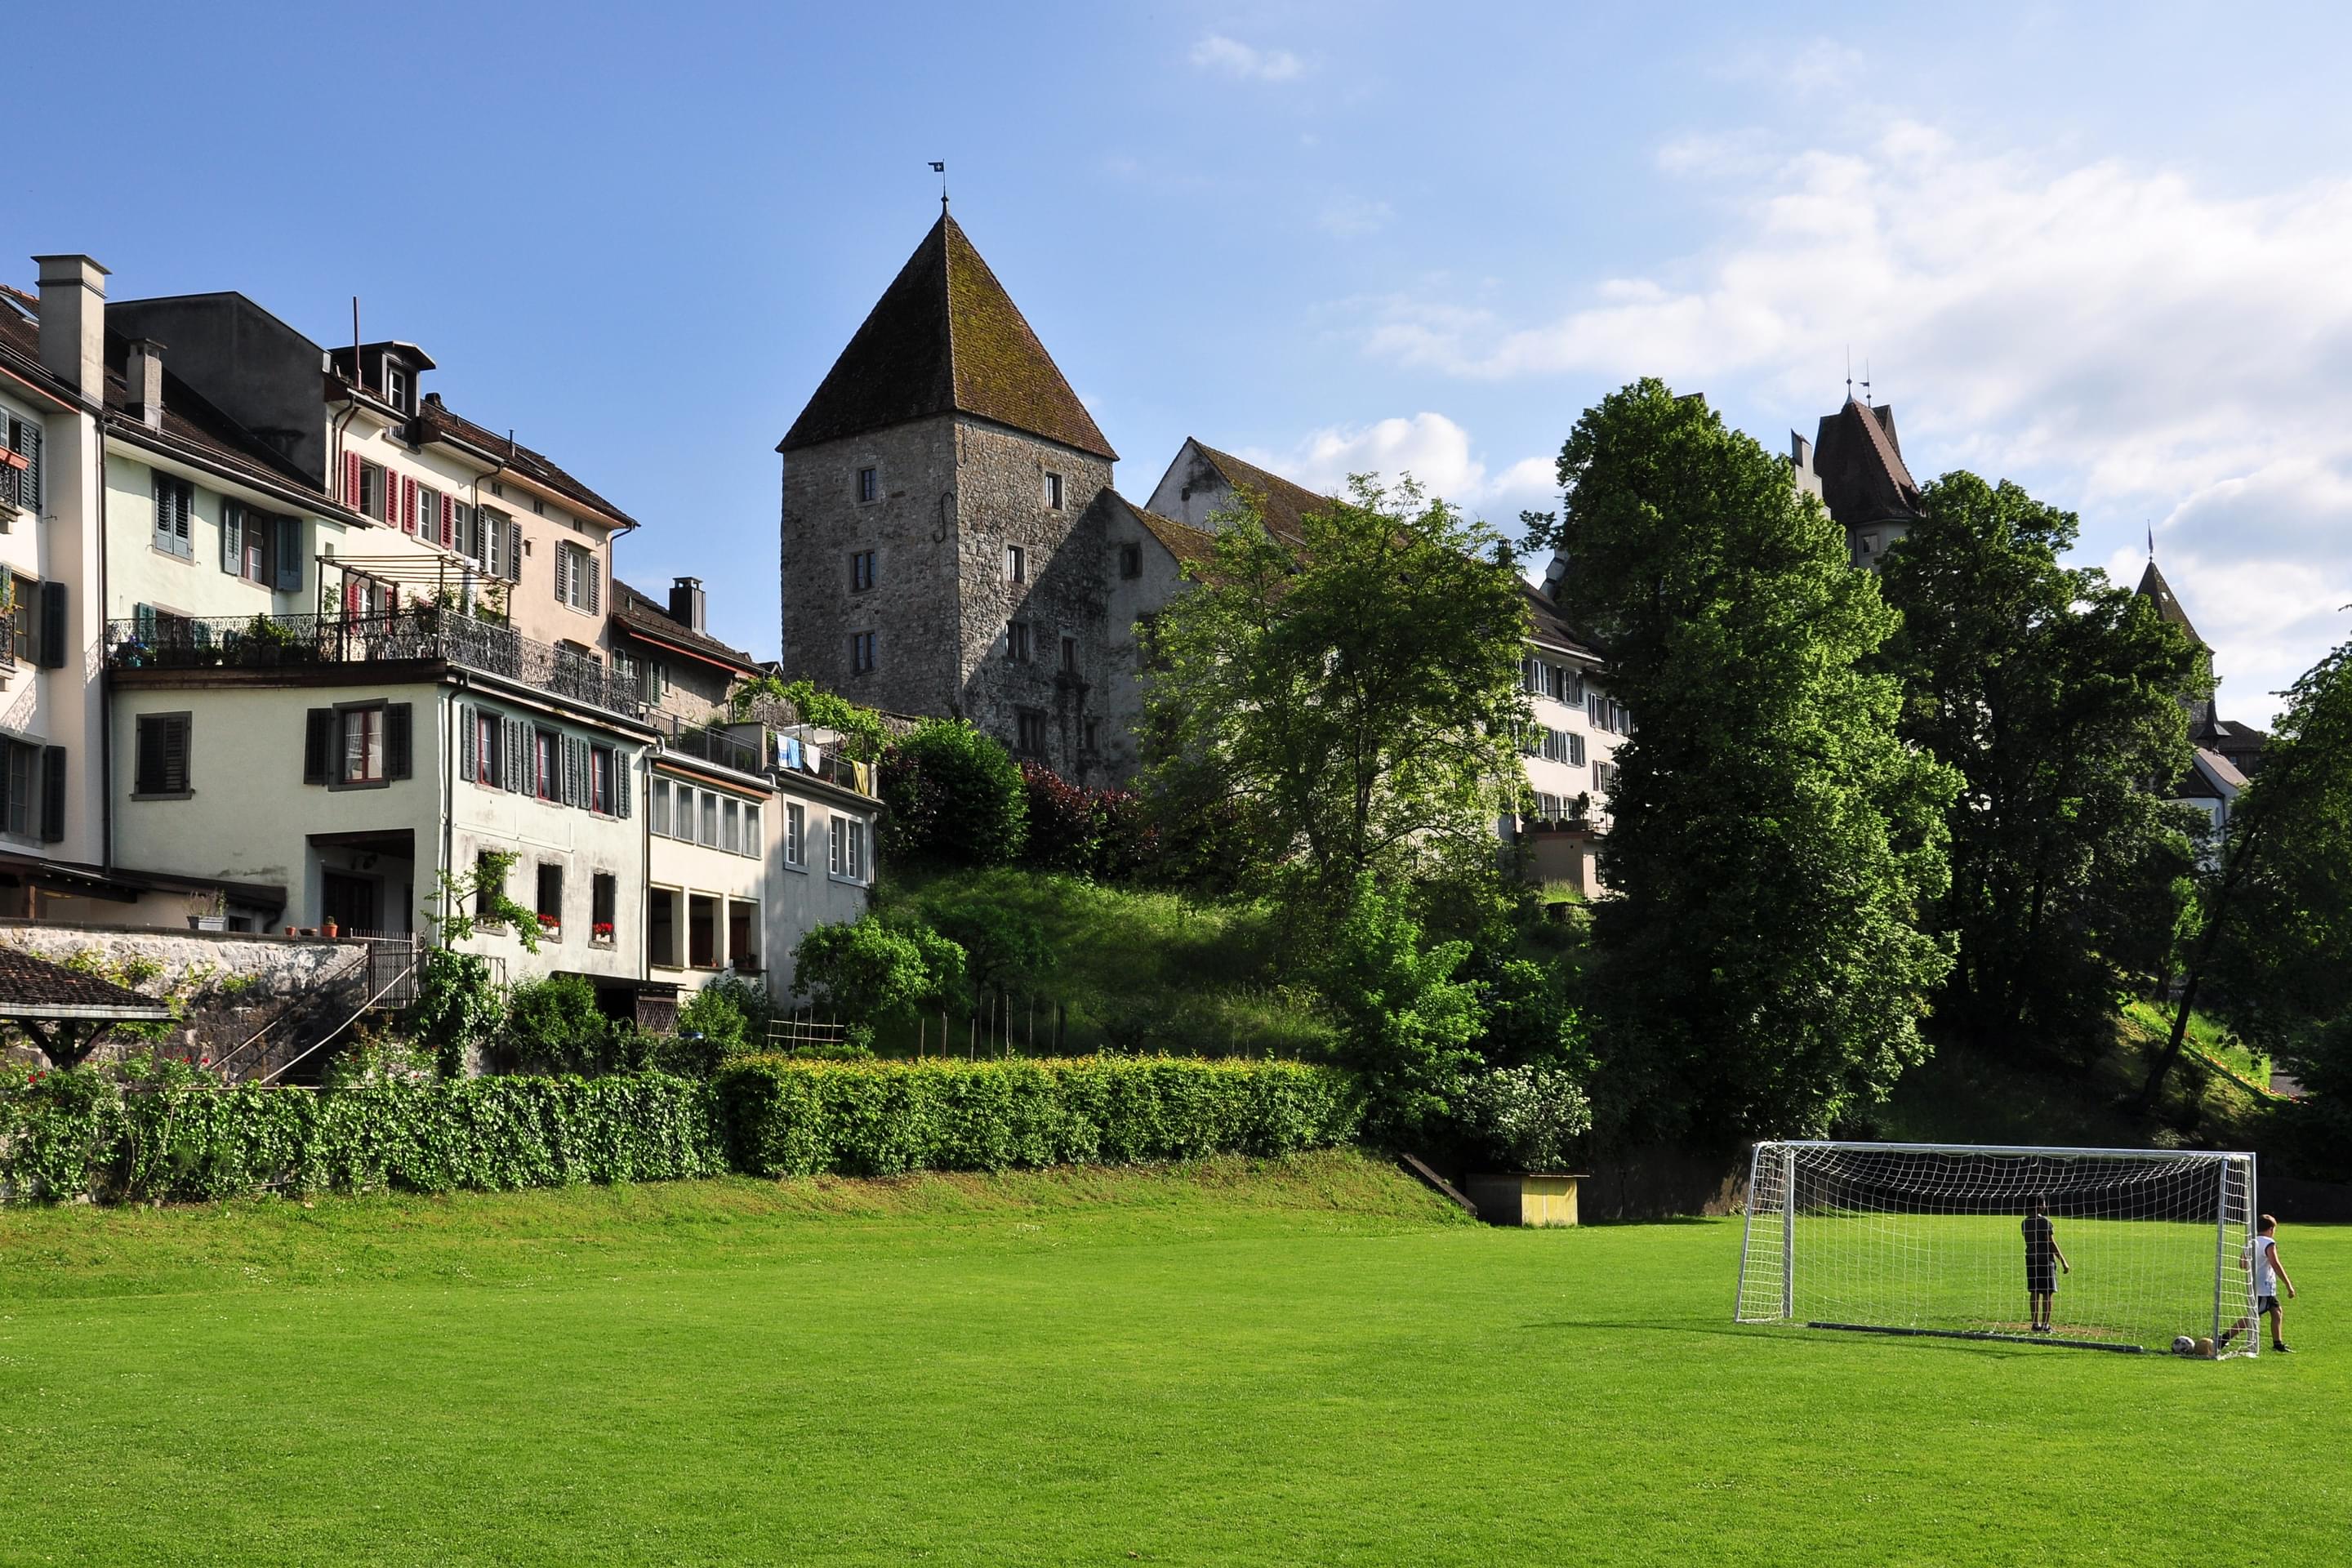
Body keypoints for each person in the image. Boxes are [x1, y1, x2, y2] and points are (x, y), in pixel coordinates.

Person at [2219, 1214, 2296, 1353]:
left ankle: (2278, 1344)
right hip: (2264, 1288)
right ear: (2271, 1229)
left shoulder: (2252, 1241)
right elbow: (2275, 1264)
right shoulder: (2269, 1243)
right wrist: (2288, 1285)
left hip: (2258, 1285)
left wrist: (2256, 1265)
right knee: (2253, 1317)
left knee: (2277, 1312)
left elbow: (2242, 1263)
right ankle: (2224, 1338)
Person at [2022, 1196, 2070, 1334]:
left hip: (2031, 1259)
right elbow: (2051, 1243)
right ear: (2039, 1205)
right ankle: (2046, 1325)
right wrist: (2064, 1262)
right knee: (2048, 1293)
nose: (2045, 1206)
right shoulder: (2045, 1222)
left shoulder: (2024, 1223)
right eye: (2044, 1203)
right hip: (2045, 1261)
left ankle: (2035, 1324)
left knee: (2035, 1292)